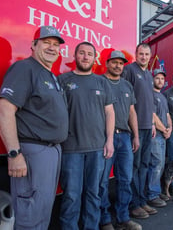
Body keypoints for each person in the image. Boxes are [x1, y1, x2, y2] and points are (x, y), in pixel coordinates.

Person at [0, 25, 68, 229]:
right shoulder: (24, 68)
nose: (52, 48)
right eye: (46, 43)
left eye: (56, 44)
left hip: (52, 151)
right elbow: (4, 111)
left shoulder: (50, 75)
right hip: (33, 152)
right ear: (34, 45)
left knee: (43, 209)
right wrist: (14, 154)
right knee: (30, 213)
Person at [58, 42, 115, 229]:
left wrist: (109, 141)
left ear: (94, 58)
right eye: (81, 53)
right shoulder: (63, 80)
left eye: (89, 54)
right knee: (71, 195)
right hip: (70, 149)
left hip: (97, 149)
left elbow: (109, 113)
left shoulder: (101, 82)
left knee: (93, 193)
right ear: (75, 56)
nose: (85, 57)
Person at [100, 50, 141, 230]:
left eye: (121, 63)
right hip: (104, 137)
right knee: (101, 181)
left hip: (125, 137)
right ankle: (105, 219)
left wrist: (136, 135)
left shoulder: (127, 85)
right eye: (114, 62)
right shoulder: (99, 82)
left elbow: (132, 112)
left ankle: (123, 218)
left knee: (125, 179)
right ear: (107, 63)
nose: (118, 66)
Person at [122, 43, 157, 219]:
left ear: (150, 56)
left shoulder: (149, 75)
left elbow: (148, 102)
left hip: (146, 127)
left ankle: (142, 200)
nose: (143, 57)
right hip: (133, 128)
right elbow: (125, 101)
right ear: (135, 54)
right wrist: (133, 130)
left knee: (144, 165)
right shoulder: (129, 70)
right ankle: (133, 204)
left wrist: (151, 123)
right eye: (140, 54)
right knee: (134, 167)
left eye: (146, 54)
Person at [147, 69, 172, 208]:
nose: (160, 81)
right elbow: (152, 115)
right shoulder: (149, 94)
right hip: (155, 136)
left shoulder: (162, 97)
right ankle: (152, 195)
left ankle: (156, 191)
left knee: (160, 164)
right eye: (157, 78)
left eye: (162, 79)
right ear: (152, 80)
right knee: (155, 165)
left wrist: (170, 129)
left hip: (163, 135)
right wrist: (164, 129)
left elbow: (167, 115)